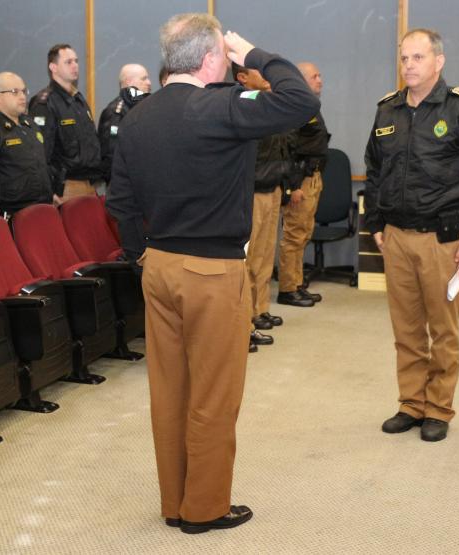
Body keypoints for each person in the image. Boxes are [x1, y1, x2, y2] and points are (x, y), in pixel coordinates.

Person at [106, 13, 319, 534]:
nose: (228, 63)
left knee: (170, 390)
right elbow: (300, 100)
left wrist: (142, 256)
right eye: (223, 56)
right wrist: (254, 54)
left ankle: (174, 502)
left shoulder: (136, 115)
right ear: (209, 59)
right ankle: (203, 508)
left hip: (157, 265)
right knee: (214, 393)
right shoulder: (222, 106)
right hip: (213, 270)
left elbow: (119, 202)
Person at [364, 28, 459, 442]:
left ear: (438, 62)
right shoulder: (388, 110)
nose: (409, 65)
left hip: (443, 240)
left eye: (418, 58)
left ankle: (438, 407)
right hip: (397, 238)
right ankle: (411, 403)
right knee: (406, 329)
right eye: (404, 58)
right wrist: (375, 223)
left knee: (442, 329)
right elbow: (373, 170)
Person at [232, 62, 293, 350]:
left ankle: (260, 308)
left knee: (265, 255)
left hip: (273, 186)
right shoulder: (241, 105)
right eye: (258, 72)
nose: (265, 76)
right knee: (248, 258)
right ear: (242, 77)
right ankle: (245, 319)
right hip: (252, 191)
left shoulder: (267, 104)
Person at [276, 61, 330, 307]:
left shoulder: (310, 106)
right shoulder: (295, 107)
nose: (320, 79)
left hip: (313, 177)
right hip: (300, 179)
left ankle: (297, 284)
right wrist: (293, 186)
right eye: (315, 76)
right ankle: (287, 289)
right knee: (294, 235)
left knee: (303, 233)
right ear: (301, 80)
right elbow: (287, 149)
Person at [29, 44, 102, 201]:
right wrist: (50, 190)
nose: (75, 66)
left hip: (89, 184)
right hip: (66, 187)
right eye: (68, 62)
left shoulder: (78, 100)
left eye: (76, 61)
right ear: (53, 67)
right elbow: (41, 153)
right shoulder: (44, 103)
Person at [0, 71, 56, 214]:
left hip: (43, 205)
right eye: (14, 92)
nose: (22, 96)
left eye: (24, 91)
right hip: (12, 211)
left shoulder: (29, 124)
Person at [98, 63, 151, 181]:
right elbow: (110, 155)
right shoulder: (115, 112)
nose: (149, 82)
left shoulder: (145, 109)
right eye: (144, 78)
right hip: (124, 184)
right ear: (128, 82)